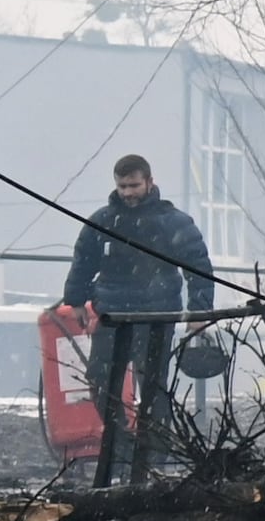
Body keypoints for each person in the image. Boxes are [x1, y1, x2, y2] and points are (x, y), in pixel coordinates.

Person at [61, 153, 215, 485]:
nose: (128, 192)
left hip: (157, 316)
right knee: (101, 381)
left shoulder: (173, 223)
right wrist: (75, 301)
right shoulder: (102, 222)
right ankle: (121, 449)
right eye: (122, 186)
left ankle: (154, 456)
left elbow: (199, 267)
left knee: (153, 388)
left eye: (133, 185)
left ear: (149, 182)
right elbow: (83, 262)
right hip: (112, 316)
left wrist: (199, 311)